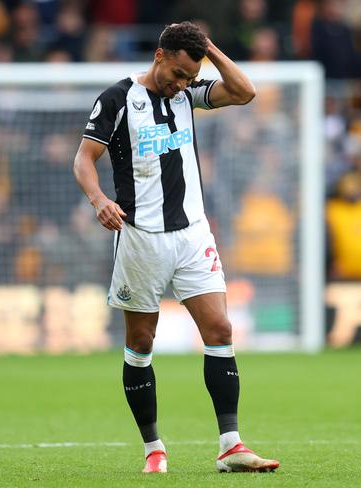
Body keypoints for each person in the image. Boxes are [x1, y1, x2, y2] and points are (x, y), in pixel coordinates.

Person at [73, 21, 279, 474]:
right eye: (179, 73)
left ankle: (231, 446)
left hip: (192, 233)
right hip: (141, 237)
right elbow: (84, 158)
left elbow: (245, 92)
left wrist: (209, 49)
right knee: (140, 342)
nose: (183, 84)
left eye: (191, 76)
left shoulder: (186, 95)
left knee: (220, 330)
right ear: (160, 55)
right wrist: (99, 199)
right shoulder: (117, 99)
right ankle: (153, 448)